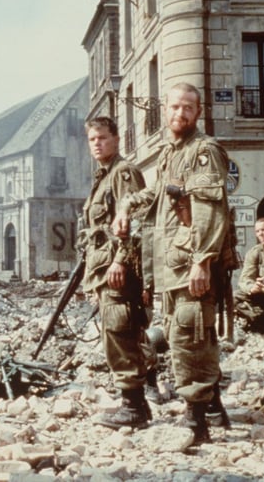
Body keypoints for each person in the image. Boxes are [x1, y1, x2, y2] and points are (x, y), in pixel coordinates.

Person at [112, 82, 233, 447]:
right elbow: (158, 194)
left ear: (198, 112)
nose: (180, 114)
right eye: (175, 107)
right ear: (165, 110)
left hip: (192, 263)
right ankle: (212, 409)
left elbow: (212, 211)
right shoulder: (171, 154)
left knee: (188, 336)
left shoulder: (203, 152)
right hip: (173, 264)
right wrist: (126, 205)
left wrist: (202, 261)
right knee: (192, 335)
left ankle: (197, 423)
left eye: (188, 108)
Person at [79, 117, 150, 430]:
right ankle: (136, 400)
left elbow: (135, 220)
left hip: (118, 269)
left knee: (119, 332)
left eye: (103, 138)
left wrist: (120, 260)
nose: (97, 143)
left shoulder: (123, 173)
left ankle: (134, 407)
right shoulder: (103, 176)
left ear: (117, 139)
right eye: (92, 139)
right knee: (118, 332)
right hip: (104, 268)